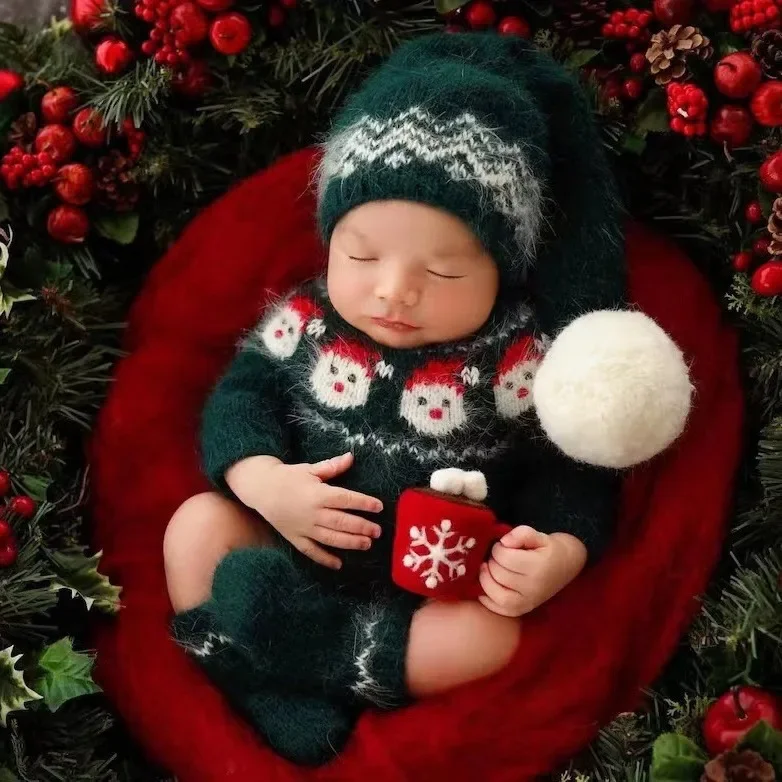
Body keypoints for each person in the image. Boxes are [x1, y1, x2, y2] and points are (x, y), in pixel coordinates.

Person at [162, 31, 682, 765]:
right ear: (329, 242)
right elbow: (238, 400)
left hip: (424, 596)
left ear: (502, 271)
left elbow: (571, 473)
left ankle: (307, 662)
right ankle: (262, 683)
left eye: (443, 271)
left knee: (490, 636)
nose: (393, 290)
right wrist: (262, 480)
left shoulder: (519, 361)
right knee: (195, 527)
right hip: (286, 552)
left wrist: (558, 552)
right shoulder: (306, 325)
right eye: (362, 255)